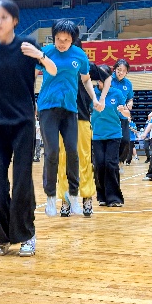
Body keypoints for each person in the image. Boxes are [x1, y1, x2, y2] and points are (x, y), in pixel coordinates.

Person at [0, 0, 56, 256]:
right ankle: (2, 237)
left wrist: (40, 55)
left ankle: (27, 235)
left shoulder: (27, 45)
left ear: (15, 21)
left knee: (21, 180)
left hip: (23, 123)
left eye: (4, 17)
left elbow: (53, 70)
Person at [36, 20, 101, 218]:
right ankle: (50, 197)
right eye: (58, 39)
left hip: (70, 109)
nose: (62, 43)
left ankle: (73, 195)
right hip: (48, 108)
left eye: (66, 40)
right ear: (53, 37)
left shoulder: (79, 55)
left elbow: (86, 79)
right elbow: (32, 73)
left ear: (72, 39)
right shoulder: (46, 52)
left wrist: (95, 99)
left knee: (73, 151)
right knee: (52, 152)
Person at [56, 37, 111, 217]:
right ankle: (66, 200)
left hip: (81, 119)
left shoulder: (86, 66)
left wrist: (101, 99)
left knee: (84, 159)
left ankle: (87, 198)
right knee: (63, 160)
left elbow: (107, 77)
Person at [91, 65, 128, 207]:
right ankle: (102, 196)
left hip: (114, 134)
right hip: (97, 135)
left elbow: (126, 114)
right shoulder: (92, 93)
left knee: (111, 164)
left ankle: (114, 198)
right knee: (99, 165)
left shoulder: (117, 94)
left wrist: (123, 111)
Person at [110, 59, 134, 166]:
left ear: (127, 72)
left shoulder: (128, 83)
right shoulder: (108, 80)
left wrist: (130, 103)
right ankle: (112, 162)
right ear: (115, 69)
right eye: (119, 70)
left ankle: (120, 161)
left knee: (125, 140)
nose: (121, 72)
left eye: (124, 71)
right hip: (110, 116)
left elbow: (130, 98)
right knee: (112, 140)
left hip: (123, 116)